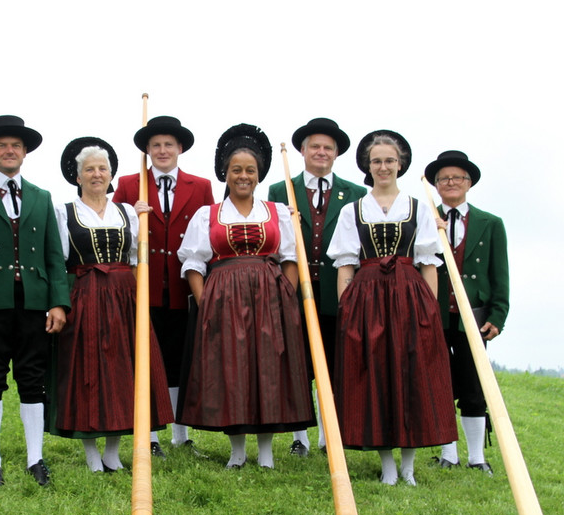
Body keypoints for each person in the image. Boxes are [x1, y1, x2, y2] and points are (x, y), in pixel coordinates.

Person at [177, 123, 315, 468]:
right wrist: (206, 301)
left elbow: (290, 257)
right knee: (231, 371)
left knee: (268, 370)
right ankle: (237, 452)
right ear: (225, 173)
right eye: (236, 170)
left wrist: (286, 295)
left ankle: (266, 452)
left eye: (250, 170)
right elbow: (193, 262)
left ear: (259, 174)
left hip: (270, 300)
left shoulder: (277, 212)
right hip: (223, 299)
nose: (243, 176)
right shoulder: (208, 215)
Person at [327, 130, 457, 486]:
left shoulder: (419, 208)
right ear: (367, 166)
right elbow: (345, 265)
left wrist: (429, 311)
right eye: (376, 161)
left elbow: (428, 263)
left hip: (409, 297)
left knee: (411, 374)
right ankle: (387, 465)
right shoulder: (353, 210)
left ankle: (408, 466)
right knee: (375, 375)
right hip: (367, 298)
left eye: (389, 161)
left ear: (400, 165)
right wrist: (347, 307)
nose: (383, 167)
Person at [0, 115, 70, 487]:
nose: (9, 151)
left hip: (34, 301)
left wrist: (58, 302)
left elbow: (54, 256)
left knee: (32, 378)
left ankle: (36, 458)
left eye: (15, 145)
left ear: (24, 152)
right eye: (2, 145)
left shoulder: (41, 196)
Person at [51, 137, 173, 472]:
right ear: (78, 176)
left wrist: (136, 300)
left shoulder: (127, 212)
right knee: (87, 372)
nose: (96, 174)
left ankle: (112, 453)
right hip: (84, 294)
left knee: (122, 371)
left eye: (102, 168)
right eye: (89, 169)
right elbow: (58, 261)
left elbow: (135, 261)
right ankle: (92, 454)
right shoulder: (64, 212)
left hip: (123, 297)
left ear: (110, 174)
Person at [114, 115, 213, 458]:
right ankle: (152, 435)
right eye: (155, 145)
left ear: (180, 148)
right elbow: (112, 230)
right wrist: (130, 213)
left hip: (183, 285)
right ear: (147, 150)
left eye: (168, 144)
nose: (162, 150)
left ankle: (181, 435)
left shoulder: (200, 186)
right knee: (148, 360)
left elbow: (208, 233)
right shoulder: (130, 184)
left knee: (180, 360)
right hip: (145, 285)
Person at [268, 117, 366, 456]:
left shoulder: (355, 194)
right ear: (302, 150)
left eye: (328, 147)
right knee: (298, 367)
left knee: (336, 366)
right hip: (295, 292)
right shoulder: (281, 190)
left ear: (336, 153)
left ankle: (329, 436)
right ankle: (300, 437)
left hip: (336, 294)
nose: (321, 152)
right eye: (315, 146)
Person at [425, 150, 509, 475]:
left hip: (472, 317)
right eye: (444, 178)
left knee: (474, 385)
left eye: (457, 177)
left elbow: (499, 273)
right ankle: (448, 454)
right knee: (440, 383)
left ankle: (476, 457)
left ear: (468, 182)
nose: (450, 183)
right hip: (433, 314)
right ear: (435, 185)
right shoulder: (424, 220)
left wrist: (498, 315)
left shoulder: (490, 223)